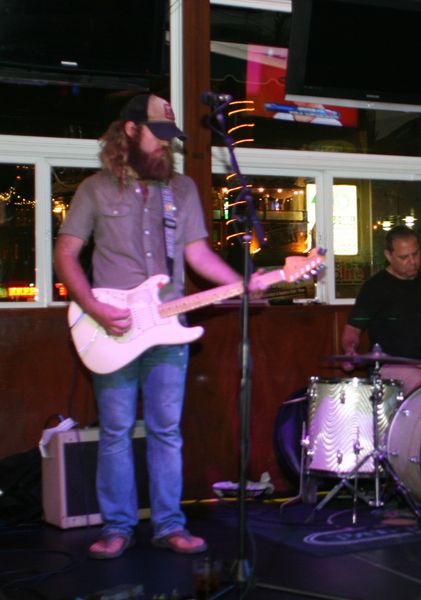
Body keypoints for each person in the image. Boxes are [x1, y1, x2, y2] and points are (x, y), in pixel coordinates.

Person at [54, 94, 264, 559]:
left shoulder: (182, 189)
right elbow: (66, 253)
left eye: (171, 137)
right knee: (115, 431)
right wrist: (93, 306)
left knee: (166, 430)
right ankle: (118, 527)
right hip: (113, 326)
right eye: (158, 134)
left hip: (169, 327)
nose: (166, 145)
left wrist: (241, 284)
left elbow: (198, 254)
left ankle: (169, 525)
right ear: (130, 131)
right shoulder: (95, 189)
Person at [340, 225, 421, 394]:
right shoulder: (374, 288)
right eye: (404, 257)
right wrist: (350, 350)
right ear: (388, 256)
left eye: (415, 254)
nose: (413, 261)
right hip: (393, 366)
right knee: (419, 386)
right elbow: (353, 329)